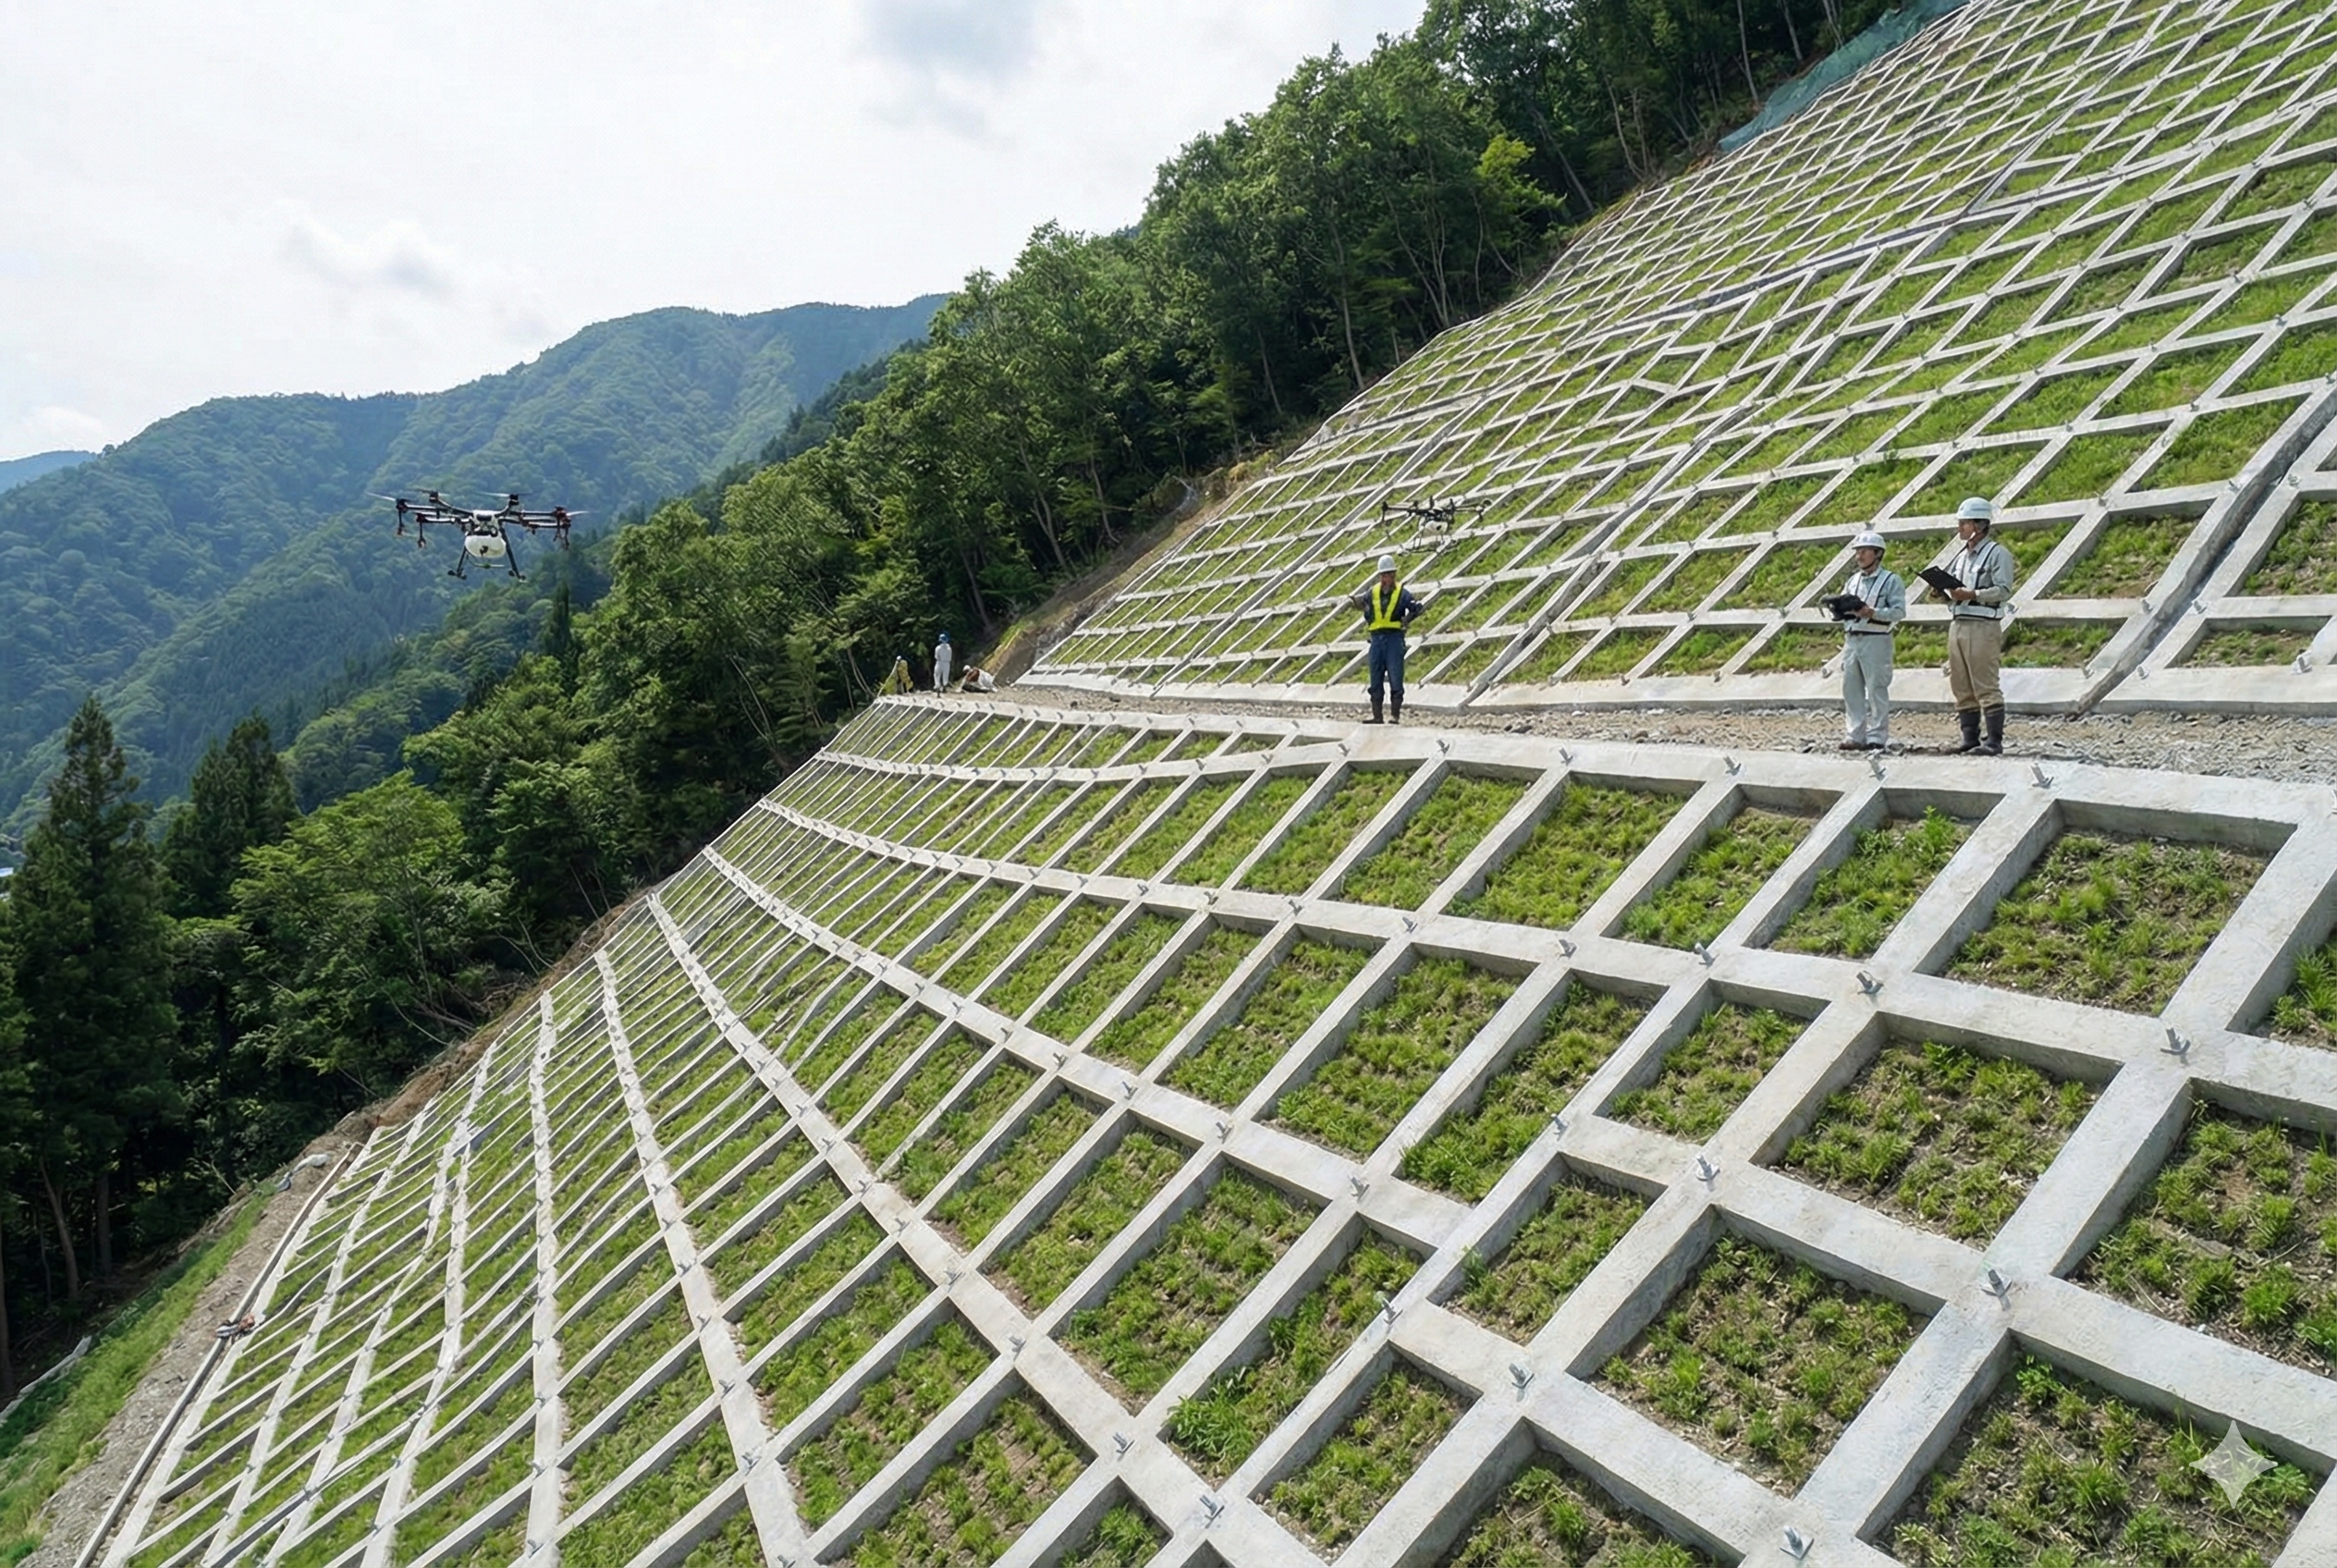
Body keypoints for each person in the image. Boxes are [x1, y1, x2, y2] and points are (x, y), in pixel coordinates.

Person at [1943, 496, 2015, 754]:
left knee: (1985, 682)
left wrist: (1973, 594)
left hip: (1983, 625)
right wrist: (1944, 592)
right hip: (1959, 622)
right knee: (1961, 683)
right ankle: (1970, 738)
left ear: (1980, 524)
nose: (1960, 528)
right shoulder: (1961, 557)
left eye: (1965, 523)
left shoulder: (1998, 553)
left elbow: (2003, 589)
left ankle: (1994, 741)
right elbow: (1956, 590)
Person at [1836, 530, 1904, 751]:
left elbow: (1898, 612)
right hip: (1852, 639)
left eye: (1864, 551)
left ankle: (1877, 735)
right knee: (1851, 689)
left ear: (1878, 553)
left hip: (1876, 638)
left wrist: (1873, 613)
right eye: (1858, 552)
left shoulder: (1891, 580)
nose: (1859, 556)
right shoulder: (1852, 581)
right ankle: (1855, 734)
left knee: (1876, 688)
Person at [1348, 553, 1423, 723]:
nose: (1386, 578)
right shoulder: (1373, 592)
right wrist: (1357, 603)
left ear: (1394, 575)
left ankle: (1395, 715)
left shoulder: (1402, 593)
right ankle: (1377, 716)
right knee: (1375, 677)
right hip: (1376, 639)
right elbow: (1364, 604)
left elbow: (1417, 607)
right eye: (1384, 575)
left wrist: (1407, 620)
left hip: (1394, 639)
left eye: (1389, 575)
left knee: (1395, 676)